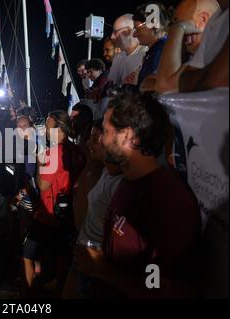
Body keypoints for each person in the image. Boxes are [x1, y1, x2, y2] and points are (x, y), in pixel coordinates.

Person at [74, 93, 202, 298]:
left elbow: (167, 288)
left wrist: (102, 269)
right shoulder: (128, 181)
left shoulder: (167, 200)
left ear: (128, 136)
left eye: (105, 131)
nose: (99, 139)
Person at [21, 110, 85, 297]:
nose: (46, 132)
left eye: (48, 128)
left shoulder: (54, 152)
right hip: (68, 213)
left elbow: (43, 185)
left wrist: (41, 163)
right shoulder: (78, 150)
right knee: (62, 255)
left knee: (28, 255)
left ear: (59, 128)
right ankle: (59, 287)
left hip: (48, 213)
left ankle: (29, 293)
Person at [63, 120, 123, 298]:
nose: (89, 143)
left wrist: (101, 265)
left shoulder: (120, 184)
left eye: (95, 138)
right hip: (84, 256)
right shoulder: (105, 171)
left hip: (95, 264)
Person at [156, 0, 220, 93]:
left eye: (179, 21)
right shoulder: (197, 56)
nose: (173, 27)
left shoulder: (216, 55)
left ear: (202, 20)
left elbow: (164, 85)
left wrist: (178, 29)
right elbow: (147, 83)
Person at [179, 0, 229, 92]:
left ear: (202, 20)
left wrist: (177, 30)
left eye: (182, 22)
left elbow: (215, 81)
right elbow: (179, 82)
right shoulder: (217, 17)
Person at [132, 2, 173, 90]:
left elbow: (151, 92)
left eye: (137, 28)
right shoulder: (159, 49)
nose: (134, 34)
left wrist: (128, 89)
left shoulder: (162, 50)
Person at [109, 14, 148, 88]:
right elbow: (111, 85)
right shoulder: (118, 57)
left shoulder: (146, 54)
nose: (112, 37)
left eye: (115, 31)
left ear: (130, 31)